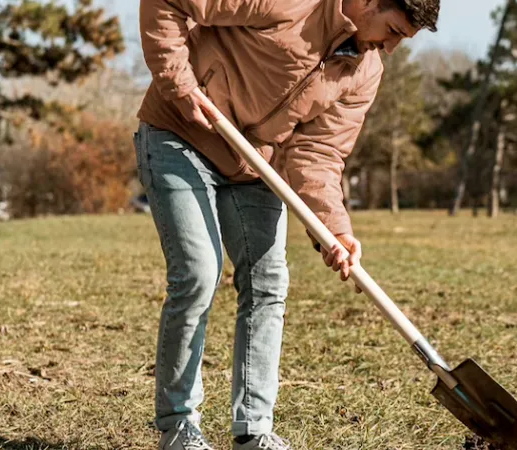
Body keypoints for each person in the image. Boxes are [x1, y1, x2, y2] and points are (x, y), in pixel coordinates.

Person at [134, 0, 440, 448]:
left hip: (255, 163)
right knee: (199, 273)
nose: (390, 48)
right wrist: (178, 82)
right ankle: (178, 424)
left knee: (267, 282)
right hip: (179, 134)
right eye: (393, 30)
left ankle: (253, 430)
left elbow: (318, 154)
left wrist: (334, 229)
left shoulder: (365, 70)